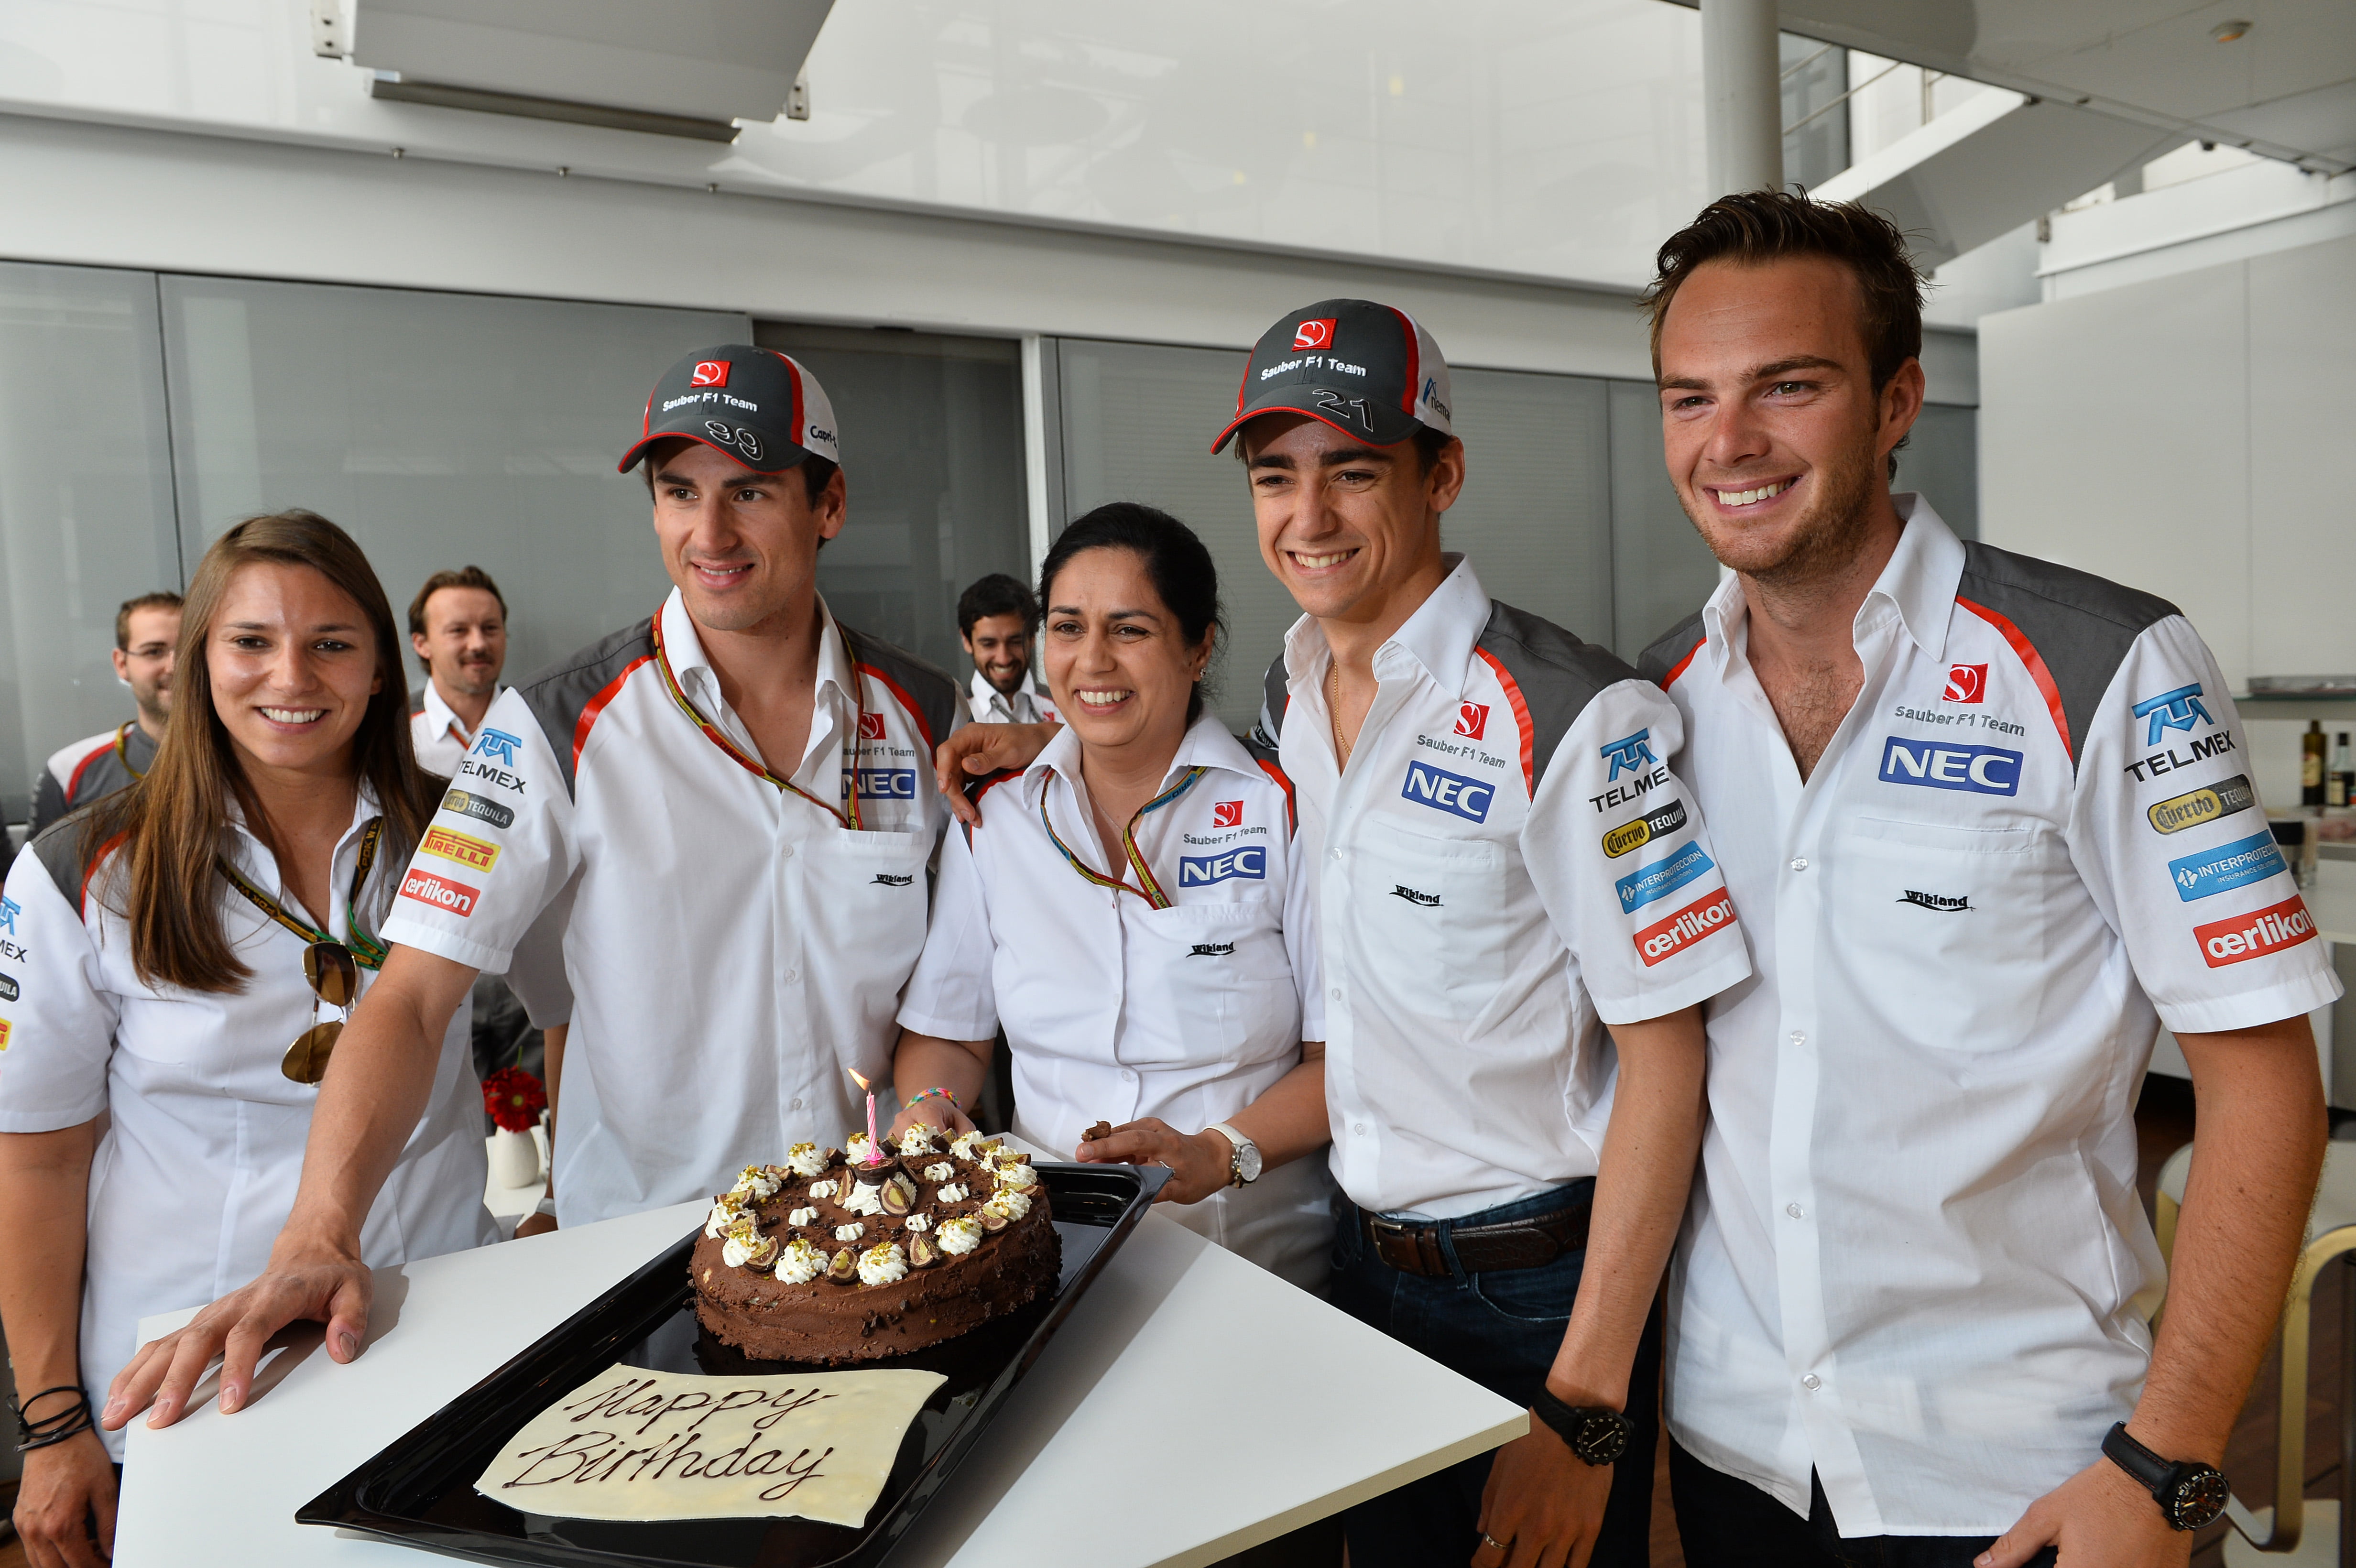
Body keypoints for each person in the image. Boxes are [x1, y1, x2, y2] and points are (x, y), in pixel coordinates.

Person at [942, 299, 1753, 1568]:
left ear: (1443, 475)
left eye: (1352, 472)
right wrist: (1060, 741)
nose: (1308, 517)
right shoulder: (1293, 691)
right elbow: (1183, 772)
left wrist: (1587, 1408)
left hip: (1531, 1288)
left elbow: (1670, 1059)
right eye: (1277, 477)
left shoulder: (1578, 716)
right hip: (1357, 1273)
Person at [1631, 192, 2335, 1568]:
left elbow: (2263, 1081)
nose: (1730, 442)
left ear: (1897, 401)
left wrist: (2171, 1465)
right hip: (1738, 1446)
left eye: (1789, 387)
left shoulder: (2107, 667)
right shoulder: (1650, 707)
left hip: (2021, 1469)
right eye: (1689, 398)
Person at [102, 344, 963, 1432]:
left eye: (749, 490)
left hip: (877, 1258)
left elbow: (950, 1004)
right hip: (658, 1277)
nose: (711, 534)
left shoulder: (924, 715)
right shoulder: (551, 725)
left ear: (828, 502)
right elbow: (413, 996)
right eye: (678, 493)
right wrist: (320, 1231)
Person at [0, 512, 494, 1567]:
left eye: (330, 642)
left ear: (376, 665)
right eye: (251, 641)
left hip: (446, 1336)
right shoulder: (85, 868)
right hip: (194, 1377)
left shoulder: (464, 833)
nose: (292, 676)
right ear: (196, 662)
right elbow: (39, 1157)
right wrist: (50, 1422)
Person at [893, 504, 1331, 1290]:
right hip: (1045, 1258)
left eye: (1129, 630)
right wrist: (928, 1105)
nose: (1091, 661)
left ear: (1198, 648)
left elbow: (1340, 1064)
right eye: (1066, 627)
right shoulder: (994, 817)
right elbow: (951, 1038)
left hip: (1254, 1264)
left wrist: (1216, 1152)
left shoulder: (1281, 810)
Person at [24, 592, 183, 843]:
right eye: (154, 651)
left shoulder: (256, 760)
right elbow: (42, 879)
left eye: (190, 649)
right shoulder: (70, 771)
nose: (176, 666)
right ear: (121, 664)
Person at [407, 566, 508, 778]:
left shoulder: (540, 722)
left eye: (490, 628)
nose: (478, 645)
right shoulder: (393, 733)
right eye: (458, 631)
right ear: (422, 644)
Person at [956, 572, 1060, 724]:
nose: (1003, 659)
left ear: (1033, 638)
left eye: (1016, 642)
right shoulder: (952, 715)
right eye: (989, 644)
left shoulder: (1066, 707)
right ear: (967, 641)